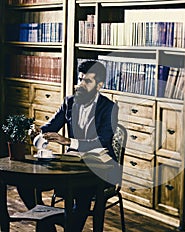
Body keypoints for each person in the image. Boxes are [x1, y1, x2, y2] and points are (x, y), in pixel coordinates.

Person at [17, 60, 119, 232]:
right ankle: (47, 225)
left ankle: (69, 226)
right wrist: (37, 132)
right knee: (24, 183)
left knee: (81, 191)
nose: (80, 85)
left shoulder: (109, 108)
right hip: (70, 163)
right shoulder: (69, 102)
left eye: (87, 81)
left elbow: (103, 141)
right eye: (80, 79)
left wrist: (68, 142)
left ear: (99, 85)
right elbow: (50, 127)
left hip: (100, 167)